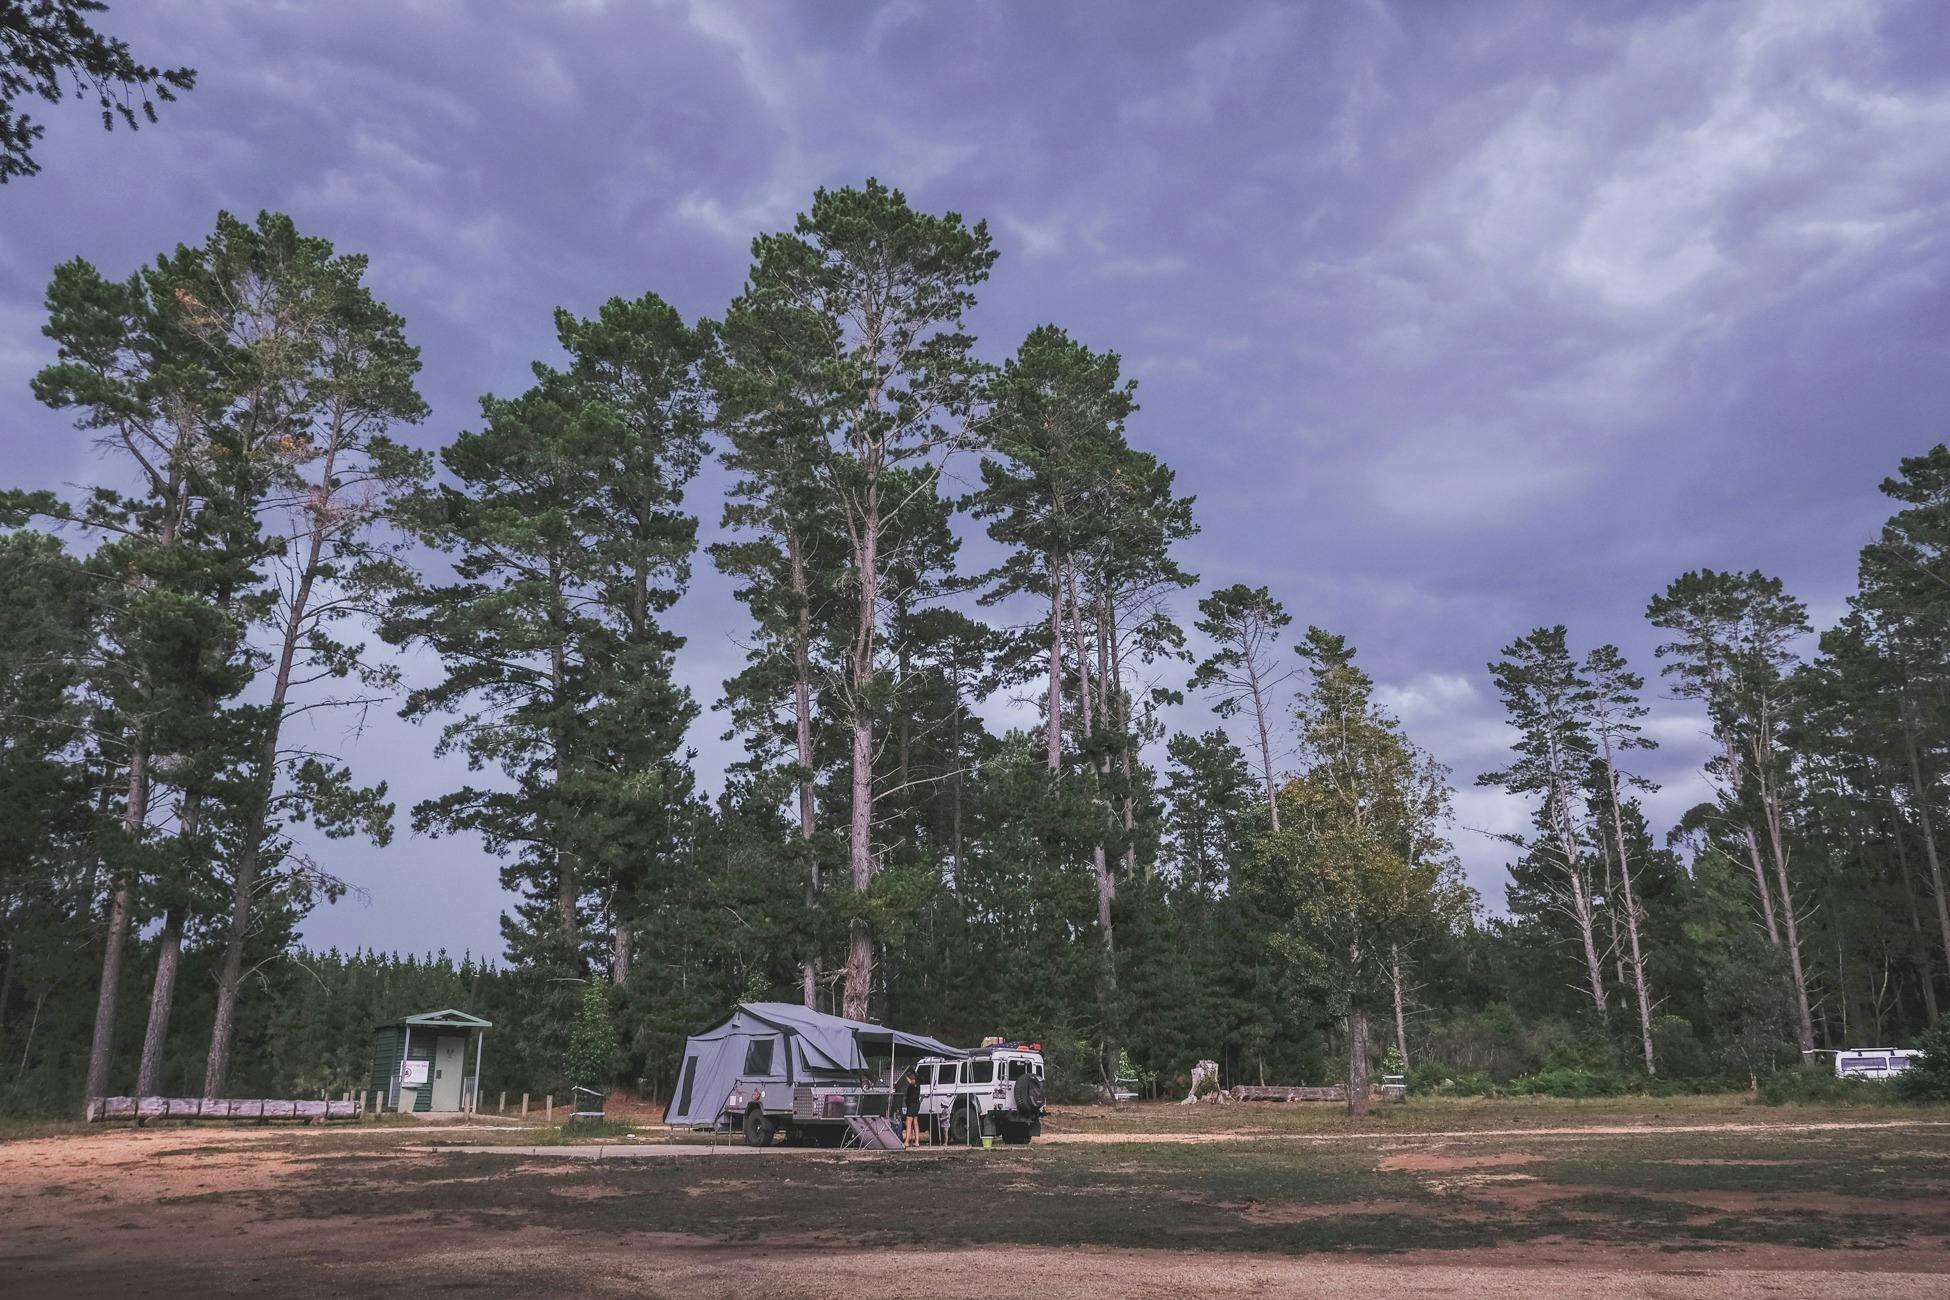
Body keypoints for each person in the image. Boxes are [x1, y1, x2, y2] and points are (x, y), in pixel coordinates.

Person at [901, 1069, 921, 1149]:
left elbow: (910, 1082)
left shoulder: (916, 1082)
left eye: (911, 1075)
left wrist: (905, 1075)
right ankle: (916, 1141)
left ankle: (907, 1142)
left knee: (908, 1122)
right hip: (912, 1104)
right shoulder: (914, 1084)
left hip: (913, 1104)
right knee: (915, 1122)